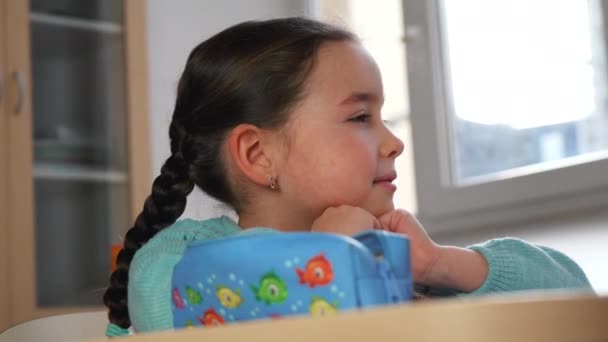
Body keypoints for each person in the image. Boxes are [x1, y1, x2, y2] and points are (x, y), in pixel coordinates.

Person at [103, 17, 591, 336]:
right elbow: (177, 309)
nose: (393, 143)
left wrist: (440, 264)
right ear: (258, 154)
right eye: (360, 118)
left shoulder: (394, 256)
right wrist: (325, 258)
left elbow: (576, 303)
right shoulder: (174, 261)